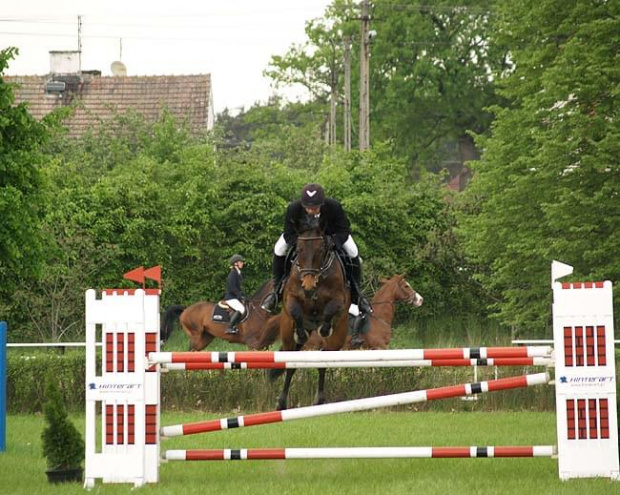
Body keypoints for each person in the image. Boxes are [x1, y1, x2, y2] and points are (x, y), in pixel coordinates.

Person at [261, 183, 372, 315]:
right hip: (303, 240)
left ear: (322, 204)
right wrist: (299, 246)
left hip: (331, 236)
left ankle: (357, 295)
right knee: (279, 248)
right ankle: (276, 292)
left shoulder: (334, 207)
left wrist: (334, 243)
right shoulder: (293, 208)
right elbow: (288, 233)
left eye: (315, 207)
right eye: (308, 208)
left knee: (353, 251)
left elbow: (344, 230)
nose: (312, 210)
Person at [224, 254, 246, 334]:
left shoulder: (238, 273)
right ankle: (230, 328)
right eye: (241, 262)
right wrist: (240, 296)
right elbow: (232, 288)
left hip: (235, 297)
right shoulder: (233, 273)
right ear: (236, 263)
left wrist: (243, 296)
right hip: (231, 297)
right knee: (241, 309)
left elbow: (239, 288)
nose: (242, 263)